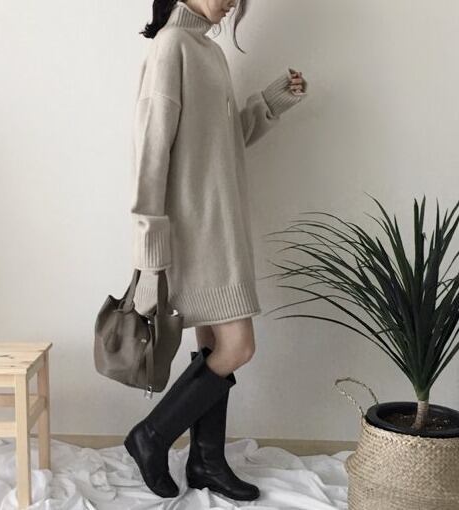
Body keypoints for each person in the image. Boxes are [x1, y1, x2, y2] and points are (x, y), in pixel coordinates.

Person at [124, 0, 308, 500]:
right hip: (193, 232)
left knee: (213, 349)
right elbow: (149, 152)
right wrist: (149, 242)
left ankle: (206, 462)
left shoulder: (206, 50)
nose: (233, 4)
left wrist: (271, 102)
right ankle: (151, 436)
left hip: (219, 224)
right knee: (237, 348)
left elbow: (225, 140)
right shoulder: (171, 47)